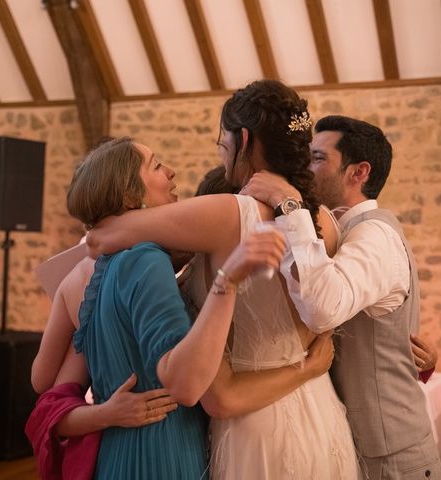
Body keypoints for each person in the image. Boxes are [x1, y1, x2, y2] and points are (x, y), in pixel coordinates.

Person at [86, 81, 361, 479]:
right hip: (320, 410)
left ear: (243, 139)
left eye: (222, 142)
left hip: (255, 423)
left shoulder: (229, 214)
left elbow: (103, 234)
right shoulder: (323, 223)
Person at [241, 115, 441, 479]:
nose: (305, 167)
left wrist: (290, 205)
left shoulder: (375, 236)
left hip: (391, 458)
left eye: (318, 158)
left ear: (358, 172)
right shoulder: (341, 232)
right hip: (349, 446)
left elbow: (322, 308)